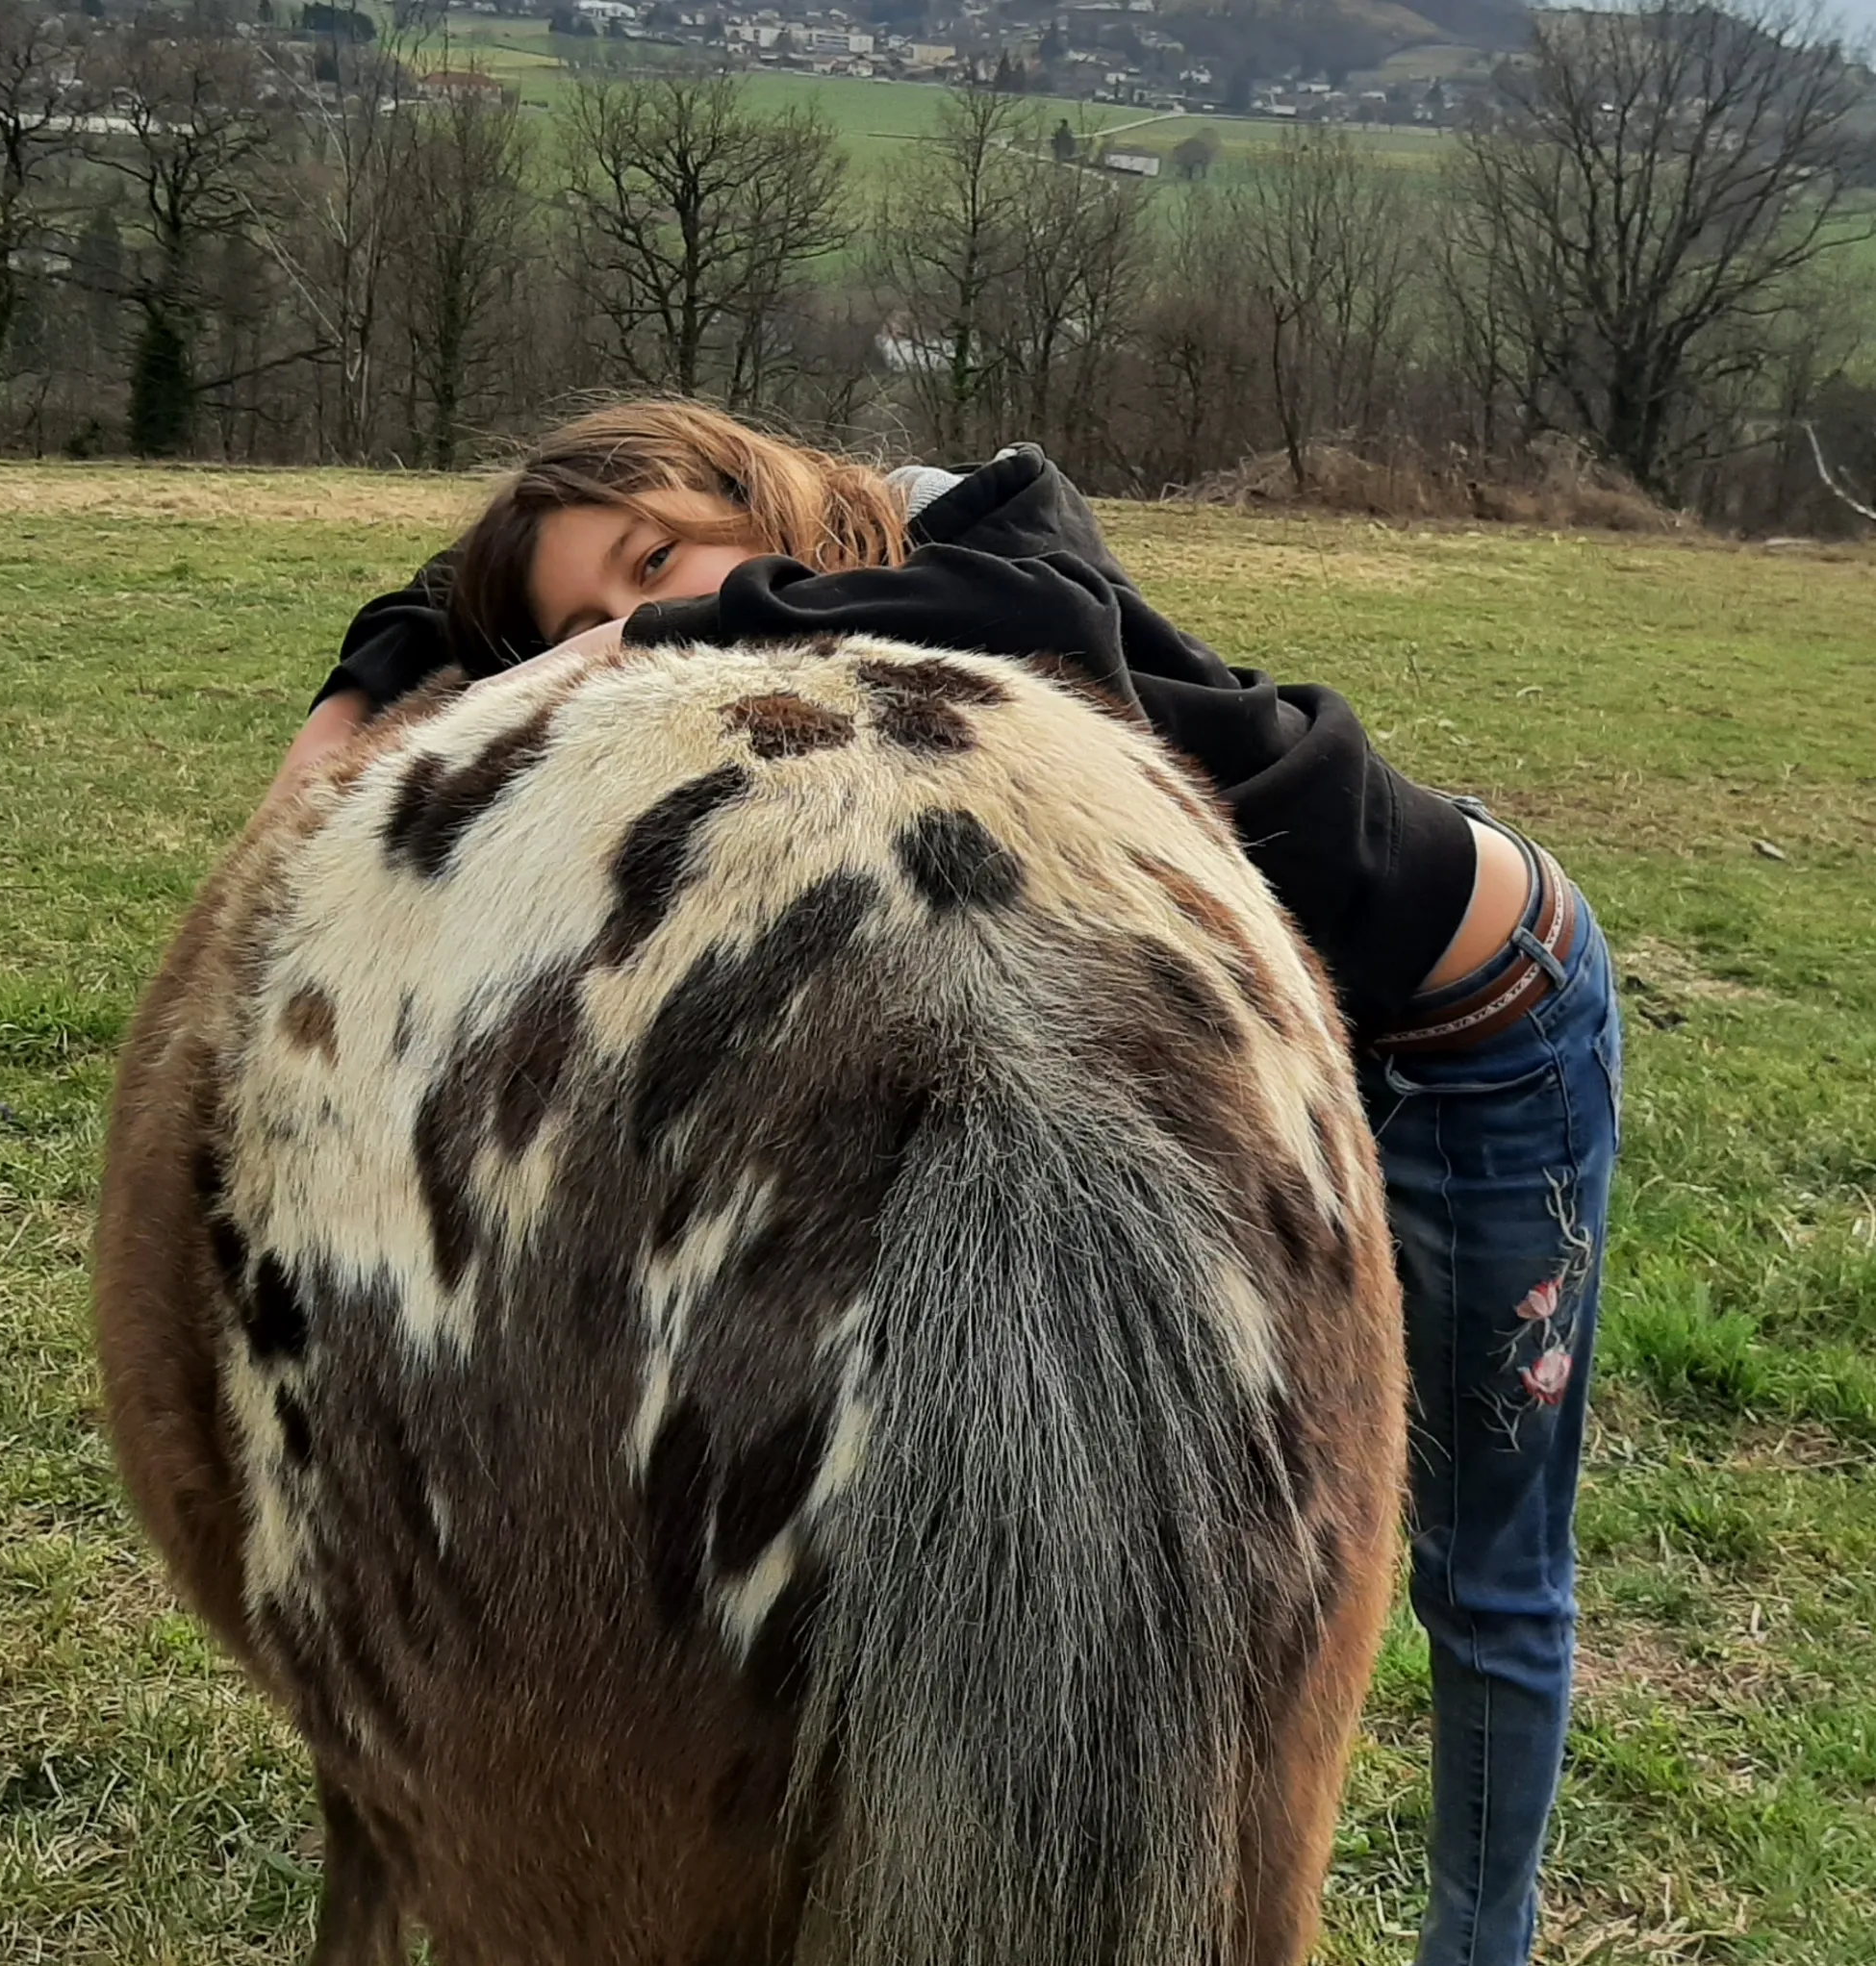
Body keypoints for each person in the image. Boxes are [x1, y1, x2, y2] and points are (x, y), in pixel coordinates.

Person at [269, 400, 1621, 1966]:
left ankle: (1482, 1941)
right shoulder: (780, 594)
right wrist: (370, 679)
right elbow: (461, 583)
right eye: (584, 621)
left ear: (744, 486)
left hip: (1482, 1026)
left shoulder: (986, 528)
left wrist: (636, 636)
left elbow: (1022, 616)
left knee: (1483, 1566)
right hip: (1274, 1048)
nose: (637, 618)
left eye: (653, 556)